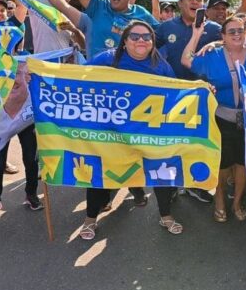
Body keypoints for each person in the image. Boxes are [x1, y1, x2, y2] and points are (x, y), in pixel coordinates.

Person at [76, 21, 181, 240]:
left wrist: (203, 90)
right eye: (135, 37)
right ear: (125, 41)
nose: (141, 41)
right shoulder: (107, 59)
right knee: (99, 172)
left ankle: (166, 215)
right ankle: (89, 220)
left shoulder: (160, 65)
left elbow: (177, 93)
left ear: (152, 42)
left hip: (147, 132)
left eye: (146, 37)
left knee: (159, 171)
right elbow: (78, 79)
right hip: (111, 130)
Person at [184, 15, 246, 222]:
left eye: (240, 30)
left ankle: (237, 203)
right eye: (231, 31)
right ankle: (219, 200)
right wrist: (198, 35)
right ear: (222, 36)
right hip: (221, 118)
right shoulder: (213, 55)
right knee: (223, 164)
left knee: (243, 163)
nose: (236, 34)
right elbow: (186, 59)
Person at [0, 60, 41, 224]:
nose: (13, 80)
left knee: (30, 158)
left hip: (27, 121)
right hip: (0, 123)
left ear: (27, 77)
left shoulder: (27, 60)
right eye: (7, 75)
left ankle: (31, 194)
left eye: (18, 74)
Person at [157, 0, 222, 78]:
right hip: (173, 86)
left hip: (203, 88)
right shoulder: (166, 26)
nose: (195, 2)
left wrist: (216, 43)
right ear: (180, 3)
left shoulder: (214, 28)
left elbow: (231, 44)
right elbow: (149, 48)